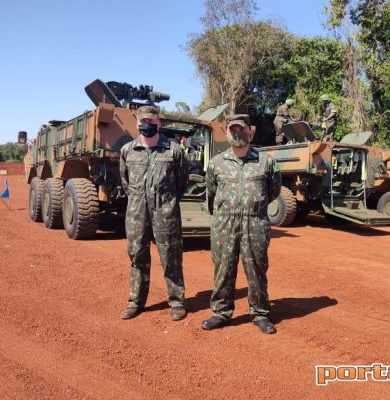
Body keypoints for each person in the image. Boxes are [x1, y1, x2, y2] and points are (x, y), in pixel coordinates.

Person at [202, 114, 282, 334]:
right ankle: (221, 312)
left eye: (242, 129)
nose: (238, 133)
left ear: (251, 131)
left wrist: (252, 208)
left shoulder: (266, 162)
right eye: (233, 129)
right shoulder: (216, 163)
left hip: (255, 223)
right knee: (223, 268)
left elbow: (273, 191)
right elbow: (211, 191)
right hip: (224, 224)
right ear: (226, 133)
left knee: (256, 269)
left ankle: (260, 313)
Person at [119, 105, 188, 321]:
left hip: (165, 212)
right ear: (137, 123)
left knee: (171, 257)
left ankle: (177, 301)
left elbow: (182, 182)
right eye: (142, 122)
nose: (146, 125)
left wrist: (166, 200)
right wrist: (140, 198)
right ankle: (135, 302)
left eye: (151, 122)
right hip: (136, 212)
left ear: (159, 123)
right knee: (137, 255)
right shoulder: (127, 151)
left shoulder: (174, 150)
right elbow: (125, 182)